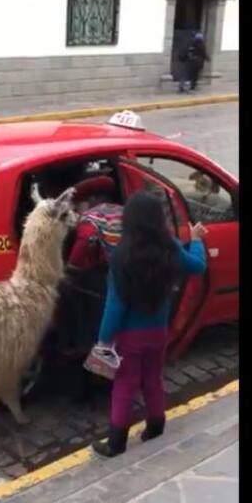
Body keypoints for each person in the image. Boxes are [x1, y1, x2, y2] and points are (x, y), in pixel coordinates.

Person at [91, 192, 208, 457]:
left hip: (129, 337)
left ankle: (116, 441)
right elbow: (198, 266)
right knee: (153, 379)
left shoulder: (122, 256)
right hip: (158, 332)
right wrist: (197, 241)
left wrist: (103, 341)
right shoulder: (171, 248)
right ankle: (156, 424)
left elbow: (115, 306)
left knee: (125, 384)